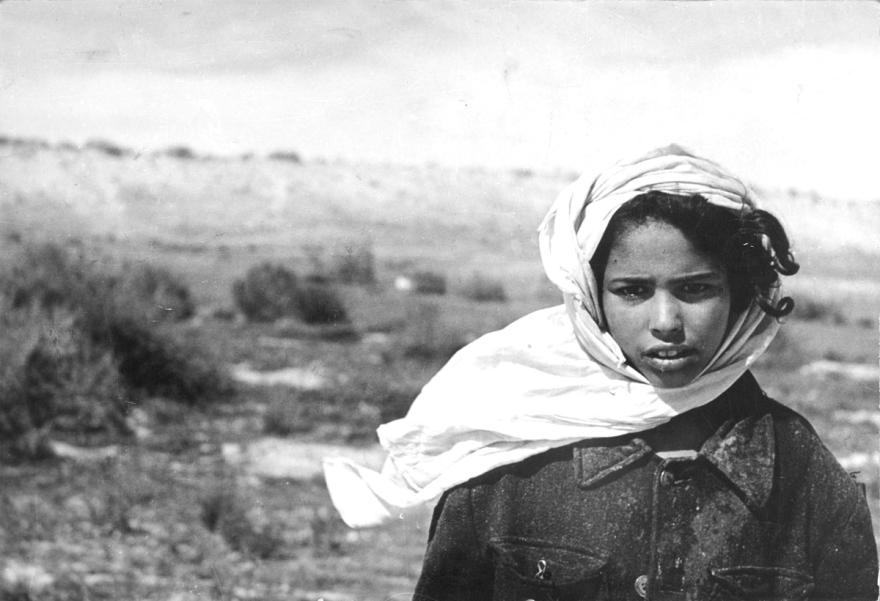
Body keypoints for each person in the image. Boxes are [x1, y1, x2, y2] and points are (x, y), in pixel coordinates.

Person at [323, 145, 878, 600]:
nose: (666, 322)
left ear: (739, 298)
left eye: (696, 289)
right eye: (633, 291)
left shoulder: (805, 479)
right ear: (592, 299)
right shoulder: (506, 464)